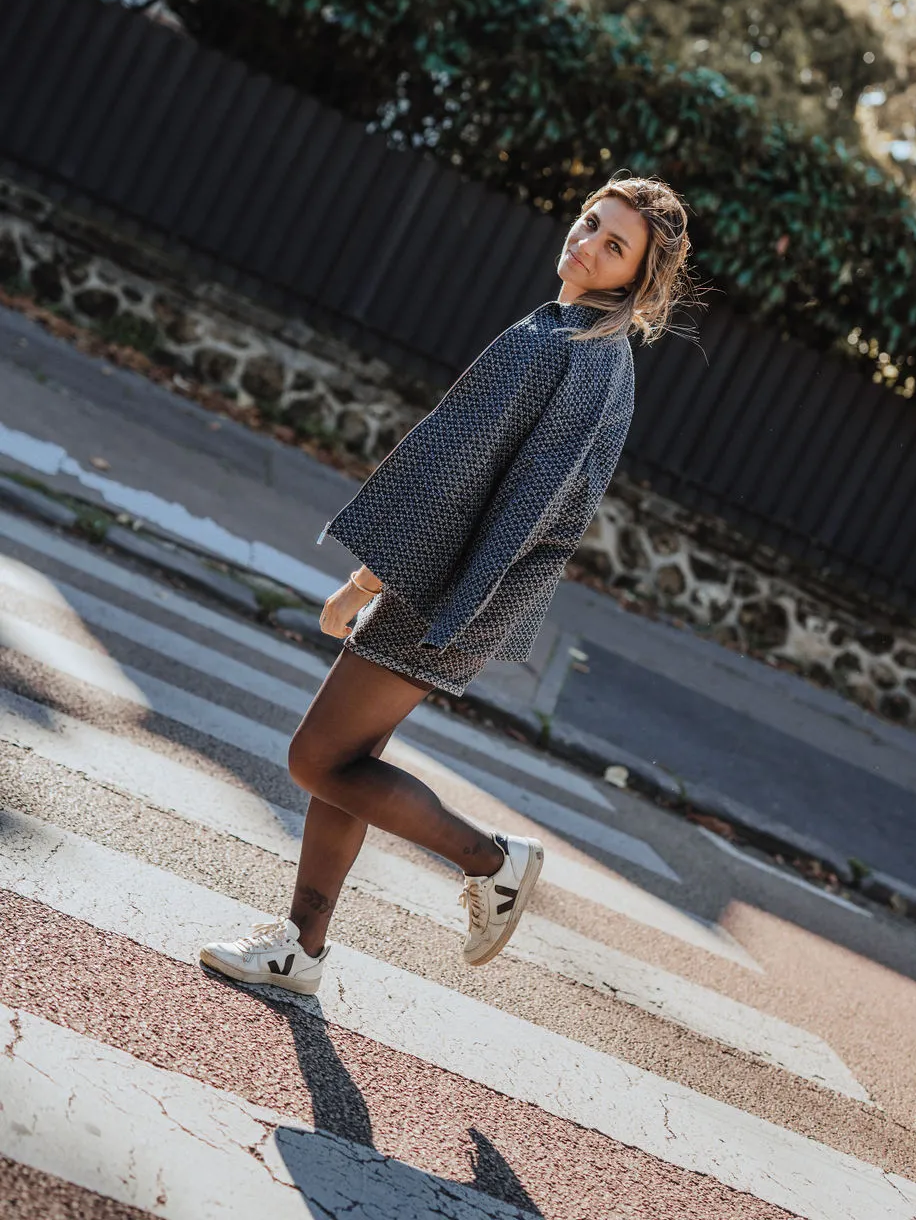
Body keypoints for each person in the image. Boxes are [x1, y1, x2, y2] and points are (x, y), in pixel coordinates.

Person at [200, 175, 698, 996]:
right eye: (589, 223)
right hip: (466, 588)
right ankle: (301, 948)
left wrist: (366, 581)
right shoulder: (594, 352)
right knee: (348, 763)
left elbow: (454, 476)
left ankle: (493, 862)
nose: (586, 244)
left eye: (613, 245)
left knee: (314, 758)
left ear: (636, 280)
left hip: (446, 590)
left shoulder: (561, 346)